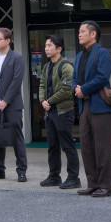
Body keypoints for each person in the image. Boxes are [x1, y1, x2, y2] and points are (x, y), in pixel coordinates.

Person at [74, 20, 111, 197]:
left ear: (93, 34)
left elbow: (102, 77)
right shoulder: (79, 56)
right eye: (79, 31)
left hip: (101, 106)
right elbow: (74, 78)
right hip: (84, 105)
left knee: (102, 147)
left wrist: (84, 89)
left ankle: (105, 185)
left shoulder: (103, 53)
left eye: (83, 31)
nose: (79, 34)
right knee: (86, 146)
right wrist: (76, 88)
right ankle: (92, 183)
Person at [0, 27, 28, 182]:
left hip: (12, 106)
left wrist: (6, 101)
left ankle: (21, 170)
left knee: (16, 138)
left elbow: (17, 81)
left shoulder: (17, 58)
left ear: (8, 41)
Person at [39, 34, 79, 189]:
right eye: (46, 45)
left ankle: (73, 178)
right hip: (50, 113)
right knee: (52, 146)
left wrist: (49, 101)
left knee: (67, 146)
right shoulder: (46, 66)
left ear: (59, 49)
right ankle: (54, 176)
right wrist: (42, 101)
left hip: (64, 111)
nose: (46, 48)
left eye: (50, 45)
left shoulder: (66, 66)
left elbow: (67, 90)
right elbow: (42, 85)